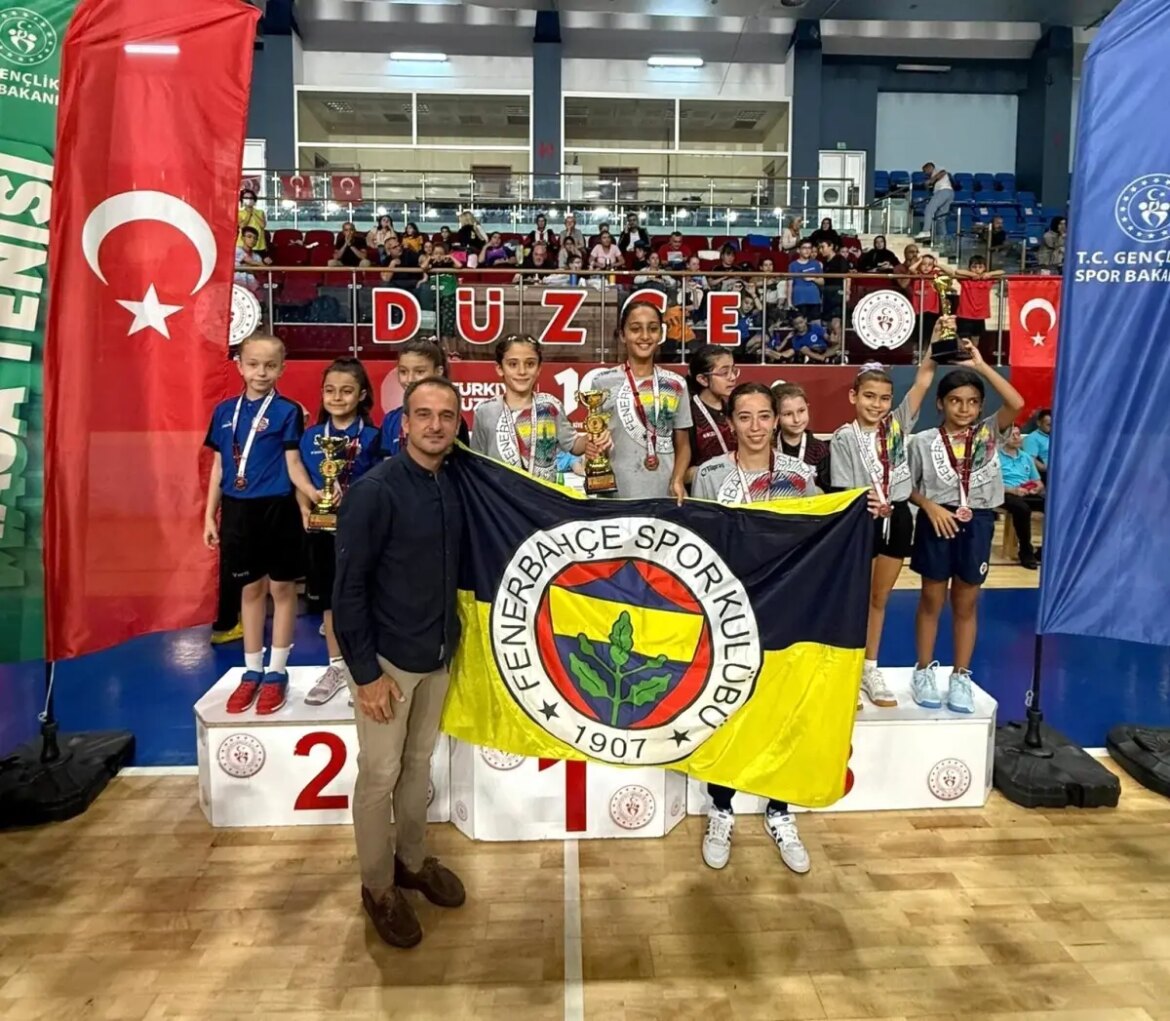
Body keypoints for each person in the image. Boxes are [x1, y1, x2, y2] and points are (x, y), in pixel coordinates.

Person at [334, 376, 468, 949]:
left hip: (437, 654)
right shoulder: (375, 491)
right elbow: (347, 590)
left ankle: (411, 861)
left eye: (446, 415)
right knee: (379, 775)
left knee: (417, 766)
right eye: (424, 415)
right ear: (404, 424)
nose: (436, 425)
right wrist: (365, 675)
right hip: (387, 665)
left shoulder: (454, 482)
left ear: (457, 424)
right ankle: (378, 886)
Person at [691, 382, 817, 874]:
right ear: (731, 423)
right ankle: (721, 808)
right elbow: (700, 540)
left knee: (781, 706)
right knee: (728, 705)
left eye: (765, 416)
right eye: (745, 417)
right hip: (729, 610)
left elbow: (819, 533)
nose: (756, 427)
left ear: (776, 419)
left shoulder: (800, 478)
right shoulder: (710, 475)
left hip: (784, 605)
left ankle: (779, 809)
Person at [202, 335, 322, 715]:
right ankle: (252, 670)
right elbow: (219, 467)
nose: (261, 372)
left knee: (282, 589)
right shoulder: (224, 412)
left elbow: (293, 463)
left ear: (282, 369)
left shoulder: (288, 411)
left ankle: (276, 671)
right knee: (250, 588)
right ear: (239, 365)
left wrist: (315, 494)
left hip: (278, 508)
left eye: (270, 365)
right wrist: (209, 514)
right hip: (238, 510)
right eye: (253, 364)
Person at [908, 338, 1025, 711]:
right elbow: (905, 485)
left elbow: (1016, 403)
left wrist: (981, 365)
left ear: (980, 406)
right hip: (937, 520)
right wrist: (929, 506)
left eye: (973, 402)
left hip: (977, 520)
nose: (964, 408)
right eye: (956, 400)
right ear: (940, 403)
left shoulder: (988, 434)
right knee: (931, 598)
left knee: (966, 601)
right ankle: (923, 670)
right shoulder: (922, 441)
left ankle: (960, 675)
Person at [830, 345, 938, 709]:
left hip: (898, 517)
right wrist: (866, 501)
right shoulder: (844, 437)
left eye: (884, 398)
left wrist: (934, 342)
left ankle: (870, 667)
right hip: (861, 519)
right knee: (855, 598)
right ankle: (847, 670)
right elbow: (844, 489)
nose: (876, 404)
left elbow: (923, 380)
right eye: (869, 396)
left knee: (879, 598)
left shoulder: (896, 425)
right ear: (853, 396)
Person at [298, 359, 382, 705]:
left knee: (365, 598)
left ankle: (367, 669)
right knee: (330, 601)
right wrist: (304, 508)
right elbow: (302, 478)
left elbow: (381, 483)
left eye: (346, 391)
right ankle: (336, 667)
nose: (337, 397)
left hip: (362, 531)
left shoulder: (374, 437)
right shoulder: (311, 437)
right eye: (330, 390)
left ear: (361, 395)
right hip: (322, 532)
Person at [588, 301, 691, 502]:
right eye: (635, 329)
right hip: (617, 495)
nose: (645, 336)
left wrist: (678, 480)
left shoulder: (676, 384)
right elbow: (596, 439)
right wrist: (594, 449)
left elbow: (683, 445)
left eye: (652, 329)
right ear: (622, 335)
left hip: (664, 493)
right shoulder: (602, 382)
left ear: (660, 334)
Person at [470, 335, 599, 479]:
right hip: (499, 493)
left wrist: (594, 436)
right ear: (500, 368)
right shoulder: (485, 411)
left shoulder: (550, 406)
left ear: (539, 368)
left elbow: (574, 445)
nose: (522, 371)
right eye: (513, 364)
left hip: (543, 493)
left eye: (530, 364)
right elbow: (476, 462)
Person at [379, 339, 469, 458]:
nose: (410, 379)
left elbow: (460, 462)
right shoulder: (391, 419)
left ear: (438, 372)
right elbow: (384, 461)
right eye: (403, 371)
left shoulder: (450, 419)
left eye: (420, 371)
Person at [685, 345, 738, 478]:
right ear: (703, 379)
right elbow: (681, 475)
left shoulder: (735, 410)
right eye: (724, 372)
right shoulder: (689, 416)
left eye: (733, 370)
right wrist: (716, 470)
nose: (732, 377)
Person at [999, 424, 1045, 570]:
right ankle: (1026, 550)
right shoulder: (994, 456)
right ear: (1002, 438)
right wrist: (1013, 490)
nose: (1017, 437)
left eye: (1018, 434)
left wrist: (1036, 488)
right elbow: (991, 485)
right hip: (1005, 493)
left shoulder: (1026, 457)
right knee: (1022, 509)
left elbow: (1038, 482)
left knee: (1054, 506)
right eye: (1012, 435)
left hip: (1026, 492)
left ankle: (1046, 548)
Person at [773, 383, 830, 491]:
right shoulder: (769, 447)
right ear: (776, 416)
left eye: (801, 411)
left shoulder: (820, 449)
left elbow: (829, 493)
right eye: (788, 414)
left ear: (807, 407)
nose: (797, 419)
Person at [954, 255, 1004, 343]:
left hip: (980, 316)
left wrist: (990, 274)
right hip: (965, 315)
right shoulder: (965, 279)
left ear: (984, 268)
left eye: (980, 267)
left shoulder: (988, 280)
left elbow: (1002, 272)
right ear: (969, 268)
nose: (977, 269)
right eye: (974, 267)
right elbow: (957, 271)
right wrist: (971, 274)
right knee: (963, 343)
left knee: (975, 341)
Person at [917, 162, 955, 240]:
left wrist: (931, 180)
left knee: (929, 209)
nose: (925, 173)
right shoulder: (933, 177)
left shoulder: (936, 169)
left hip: (943, 191)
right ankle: (943, 239)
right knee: (940, 217)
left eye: (925, 171)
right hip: (950, 193)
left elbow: (943, 172)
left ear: (929, 167)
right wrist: (928, 185)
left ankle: (926, 231)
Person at [788, 240, 823, 323]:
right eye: (804, 248)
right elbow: (789, 284)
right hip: (799, 299)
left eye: (809, 248)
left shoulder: (816, 264)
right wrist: (789, 302)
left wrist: (813, 278)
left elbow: (822, 281)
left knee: (816, 325)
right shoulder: (792, 265)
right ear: (798, 250)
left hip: (814, 299)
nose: (807, 250)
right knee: (801, 325)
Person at [234, 226, 271, 296]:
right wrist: (260, 265)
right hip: (237, 286)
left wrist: (246, 267)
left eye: (255, 238)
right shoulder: (236, 250)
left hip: (253, 287)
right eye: (249, 237)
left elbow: (262, 271)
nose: (252, 240)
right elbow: (251, 262)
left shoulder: (257, 256)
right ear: (243, 238)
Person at [1022, 408, 1051, 479]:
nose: (1051, 427)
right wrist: (1043, 467)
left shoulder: (1056, 436)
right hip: (1047, 474)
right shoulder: (1033, 438)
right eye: (1048, 425)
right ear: (1039, 423)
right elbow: (1030, 458)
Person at [237, 188, 267, 253]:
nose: (249, 200)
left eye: (251, 198)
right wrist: (248, 213)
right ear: (242, 200)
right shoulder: (239, 213)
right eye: (246, 198)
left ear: (254, 200)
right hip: (243, 245)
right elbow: (242, 226)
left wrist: (253, 212)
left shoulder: (260, 212)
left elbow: (263, 225)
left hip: (259, 244)